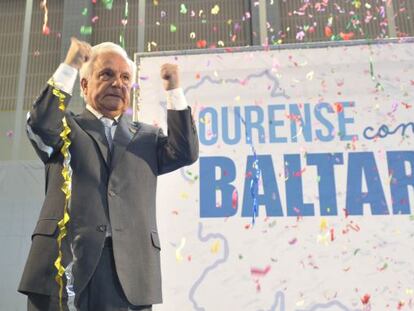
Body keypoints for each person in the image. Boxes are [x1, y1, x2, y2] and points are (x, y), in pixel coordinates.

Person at [18, 37, 199, 311]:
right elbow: (40, 124)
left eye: (126, 77)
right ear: (84, 84)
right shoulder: (65, 128)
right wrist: (71, 63)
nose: (118, 83)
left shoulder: (147, 138)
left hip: (129, 276)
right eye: (107, 74)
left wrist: (174, 89)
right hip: (63, 268)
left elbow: (185, 151)